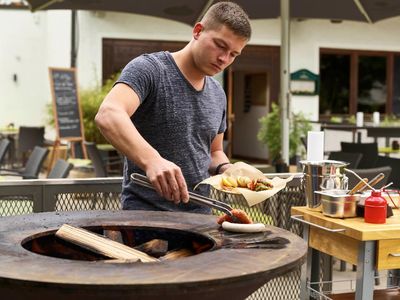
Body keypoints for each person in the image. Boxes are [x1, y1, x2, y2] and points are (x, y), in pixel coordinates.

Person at [95, 2, 251, 214]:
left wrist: (227, 169)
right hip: (144, 216)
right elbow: (108, 114)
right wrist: (152, 161)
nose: (224, 59)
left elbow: (214, 152)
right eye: (220, 45)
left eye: (233, 54)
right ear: (198, 31)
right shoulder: (149, 69)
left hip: (200, 217)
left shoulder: (218, 93)